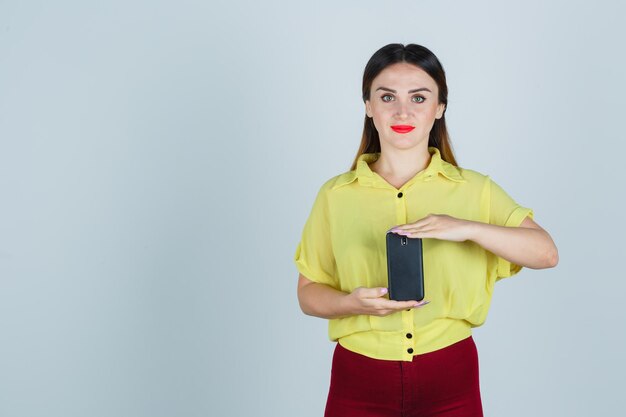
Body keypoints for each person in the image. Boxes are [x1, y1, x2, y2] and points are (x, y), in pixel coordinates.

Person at [293, 43, 559, 417]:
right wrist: (351, 303)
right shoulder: (335, 195)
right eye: (387, 97)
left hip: (450, 372)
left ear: (440, 108)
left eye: (419, 97)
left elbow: (546, 253)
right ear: (368, 106)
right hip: (359, 374)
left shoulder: (475, 189)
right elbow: (308, 293)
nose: (403, 111)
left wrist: (466, 228)